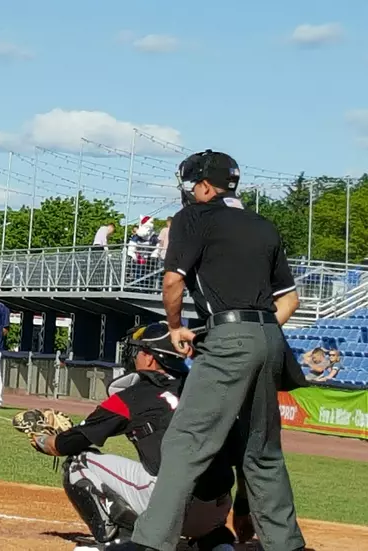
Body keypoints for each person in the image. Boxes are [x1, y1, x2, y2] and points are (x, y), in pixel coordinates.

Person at [111, 150, 305, 551]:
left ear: (203, 186)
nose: (186, 194)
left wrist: (180, 328)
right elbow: (290, 300)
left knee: (185, 442)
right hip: (269, 337)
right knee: (262, 451)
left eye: (188, 186)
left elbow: (172, 283)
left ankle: (150, 543)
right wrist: (255, 334)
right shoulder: (263, 225)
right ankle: (287, 545)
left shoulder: (193, 218)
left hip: (229, 337)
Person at [28, 322, 241, 551]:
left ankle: (121, 542)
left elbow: (70, 443)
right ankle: (215, 545)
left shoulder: (134, 395)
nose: (134, 357)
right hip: (218, 508)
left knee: (78, 463)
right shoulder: (203, 390)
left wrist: (43, 441)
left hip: (170, 508)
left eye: (138, 351)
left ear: (149, 358)